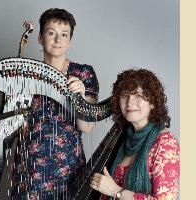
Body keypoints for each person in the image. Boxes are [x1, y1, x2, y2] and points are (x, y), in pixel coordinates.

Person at [10, 8, 100, 199]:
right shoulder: (27, 74)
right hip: (29, 169)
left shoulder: (83, 74)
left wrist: (80, 96)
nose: (58, 40)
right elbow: (12, 126)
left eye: (64, 35)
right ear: (41, 38)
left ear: (70, 41)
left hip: (67, 170)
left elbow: (87, 127)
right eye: (51, 33)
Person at [90, 68, 180, 199]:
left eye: (138, 95)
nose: (130, 103)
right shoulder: (123, 138)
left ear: (153, 103)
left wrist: (116, 191)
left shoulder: (165, 143)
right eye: (125, 95)